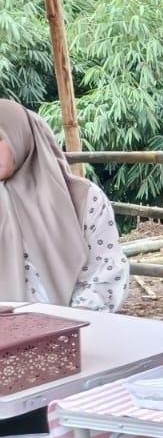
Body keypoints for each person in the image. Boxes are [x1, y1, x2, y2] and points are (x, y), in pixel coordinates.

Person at [1, 99, 128, 437]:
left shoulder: (82, 199)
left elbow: (106, 276)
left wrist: (57, 337)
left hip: (70, 352)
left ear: (20, 138)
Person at [0, 100, 127, 315]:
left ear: (21, 137)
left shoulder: (82, 198)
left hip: (70, 333)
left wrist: (70, 324)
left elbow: (106, 270)